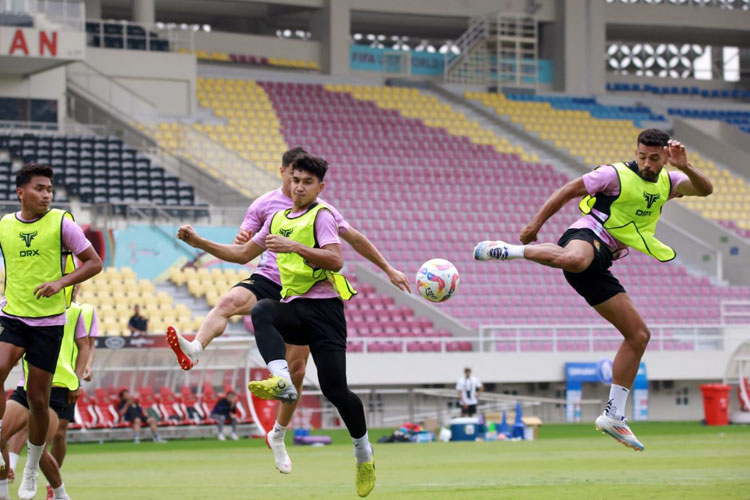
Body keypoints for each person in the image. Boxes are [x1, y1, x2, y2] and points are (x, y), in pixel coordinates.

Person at [167, 147, 408, 474]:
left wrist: (388, 268)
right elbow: (242, 252)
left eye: (307, 182)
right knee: (253, 309)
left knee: (329, 387)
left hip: (321, 307)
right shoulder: (273, 213)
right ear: (285, 174)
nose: (298, 186)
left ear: (319, 186)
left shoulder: (323, 214)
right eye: (295, 179)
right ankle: (218, 356)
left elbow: (341, 255)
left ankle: (339, 446)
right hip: (284, 294)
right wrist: (201, 243)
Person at [473, 130, 713, 451]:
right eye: (642, 155)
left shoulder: (669, 182)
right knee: (574, 258)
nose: (646, 162)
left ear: (666, 157)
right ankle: (507, 250)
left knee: (639, 335)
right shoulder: (613, 174)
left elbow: (704, 189)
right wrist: (534, 226)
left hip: (602, 262)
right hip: (587, 235)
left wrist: (687, 167)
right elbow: (568, 190)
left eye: (654, 158)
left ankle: (614, 415)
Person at [0, 163, 102, 500]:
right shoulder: (4, 225)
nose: (46, 194)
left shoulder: (62, 223)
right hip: (14, 316)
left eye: (49, 189)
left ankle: (31, 469)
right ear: (21, 192)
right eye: (40, 189)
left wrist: (61, 281)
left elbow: (94, 262)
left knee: (38, 401)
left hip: (48, 323)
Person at [2, 288, 93, 500]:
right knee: (1, 435)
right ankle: (3, 490)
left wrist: (77, 380)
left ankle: (60, 494)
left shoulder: (76, 312)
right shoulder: (24, 311)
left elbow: (85, 346)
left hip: (58, 387)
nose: (76, 288)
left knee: (39, 446)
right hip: (26, 385)